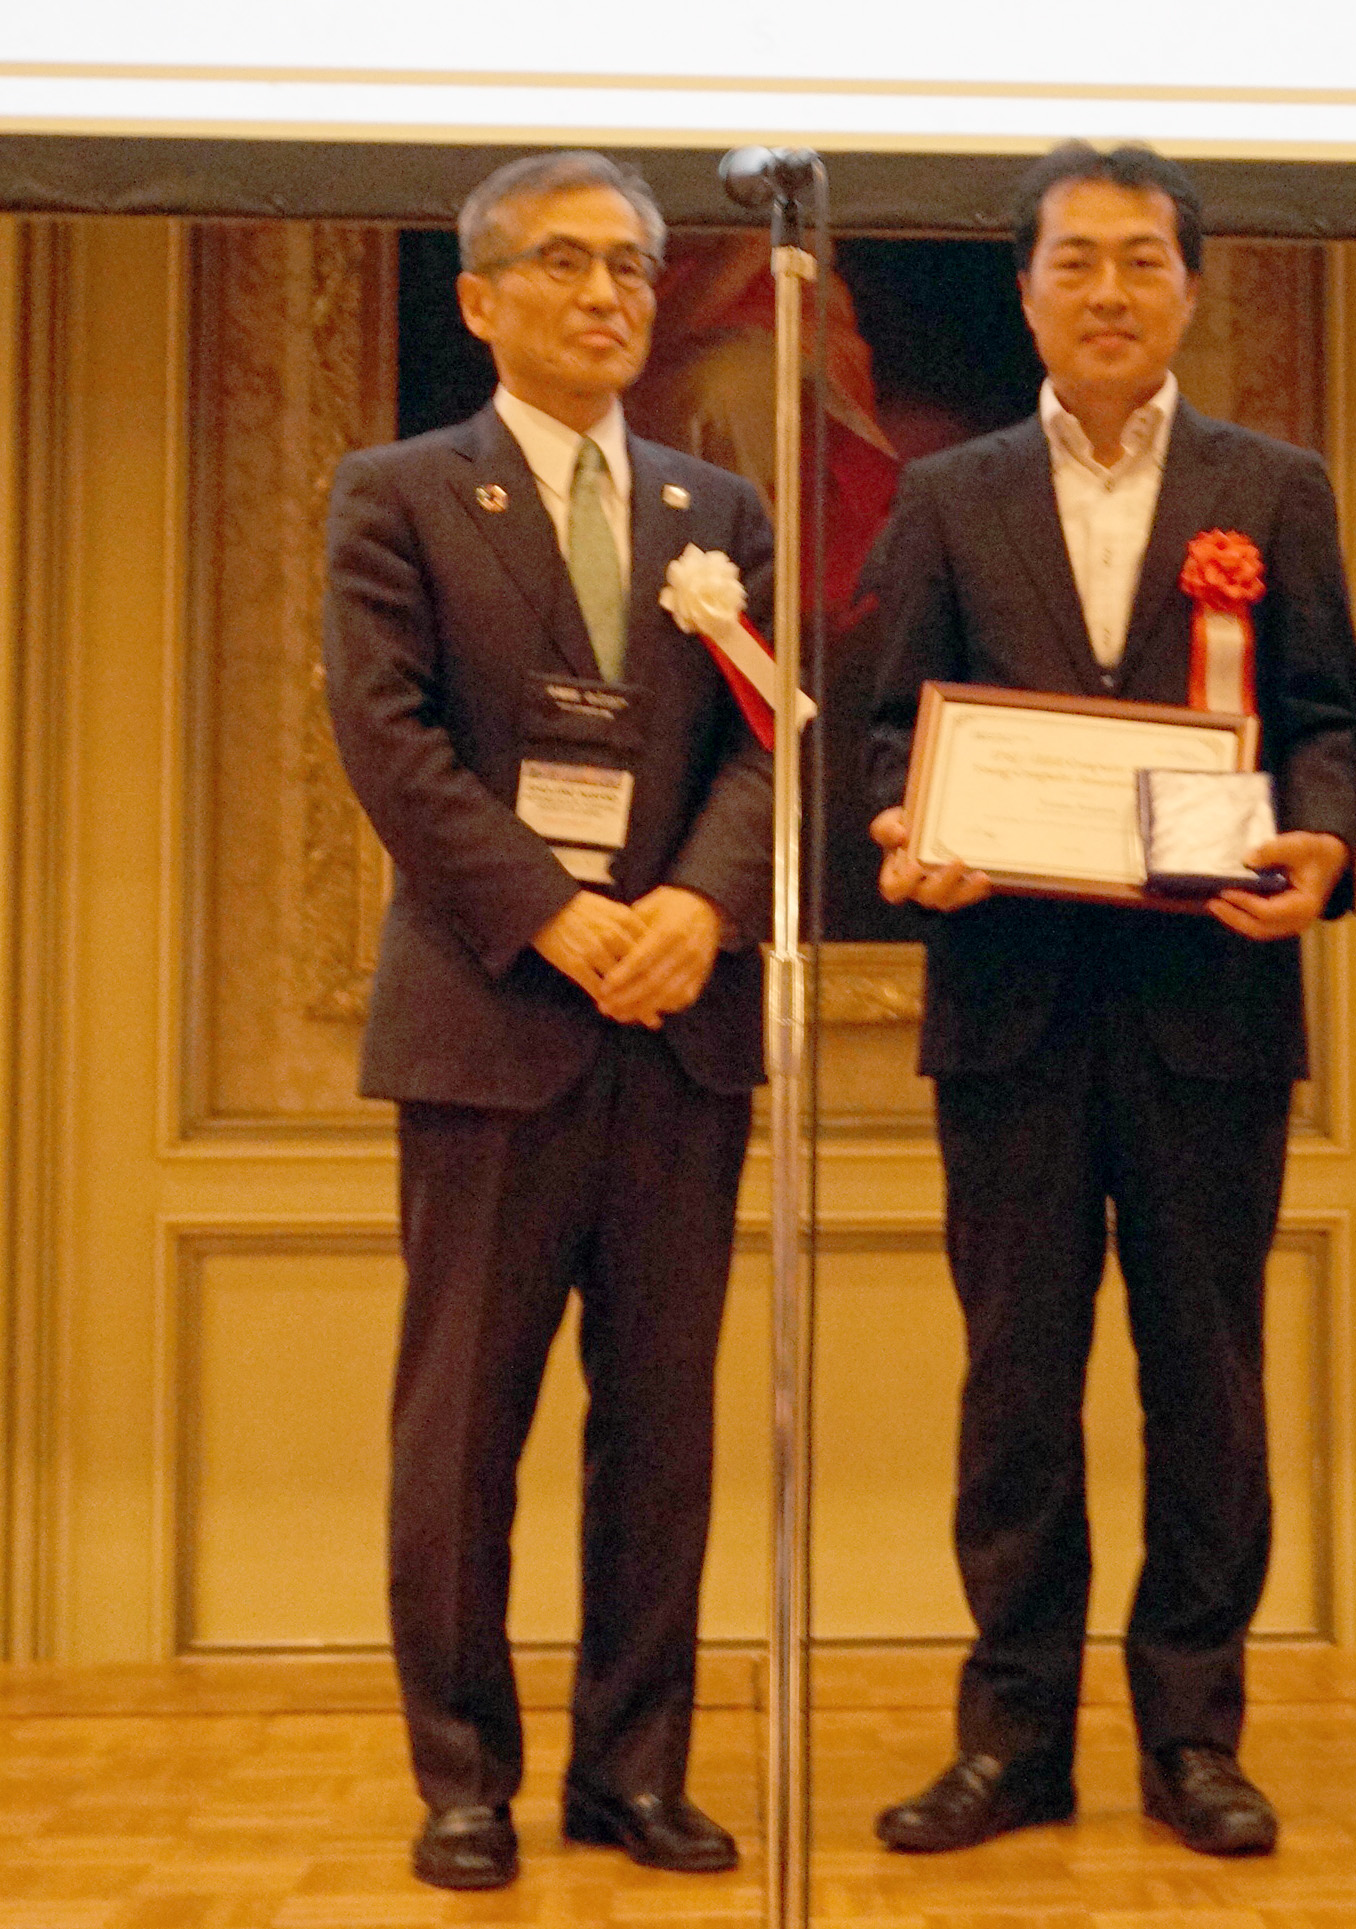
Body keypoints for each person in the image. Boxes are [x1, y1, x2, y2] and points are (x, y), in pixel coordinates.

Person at [866, 141, 1356, 1858]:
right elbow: (890, 729)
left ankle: (1194, 1735)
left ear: (1189, 291)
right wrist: (907, 827)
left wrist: (1323, 844)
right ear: (1024, 291)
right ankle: (1010, 1738)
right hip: (1006, 1007)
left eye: (1139, 261)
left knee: (1204, 1383)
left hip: (1207, 1006)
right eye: (1072, 260)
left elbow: (1326, 721)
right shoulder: (948, 492)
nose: (1106, 291)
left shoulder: (1271, 486)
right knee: (1014, 1387)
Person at [322, 150, 775, 1892]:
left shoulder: (715, 511)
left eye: (633, 268)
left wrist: (696, 908)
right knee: (463, 1428)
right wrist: (556, 916)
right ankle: (463, 1777)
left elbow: (767, 742)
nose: (607, 295)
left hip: (676, 1026)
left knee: (659, 1430)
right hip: (493, 1018)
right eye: (566, 263)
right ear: (480, 298)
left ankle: (632, 1770)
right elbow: (390, 741)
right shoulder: (398, 494)